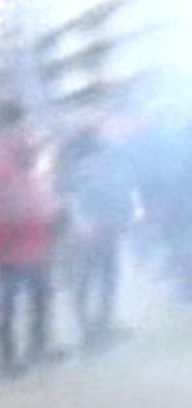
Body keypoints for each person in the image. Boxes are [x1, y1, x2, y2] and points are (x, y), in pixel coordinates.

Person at [57, 126, 136, 350]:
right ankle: (87, 330)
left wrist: (122, 217)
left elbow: (118, 186)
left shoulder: (105, 158)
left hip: (107, 225)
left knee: (108, 275)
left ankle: (103, 323)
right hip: (85, 229)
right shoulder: (70, 160)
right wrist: (78, 222)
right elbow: (66, 193)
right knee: (86, 279)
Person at [0, 103, 59, 378]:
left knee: (41, 295)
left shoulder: (25, 156)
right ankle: (8, 358)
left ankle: (39, 345)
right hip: (9, 246)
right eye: (19, 126)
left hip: (35, 239)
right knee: (7, 304)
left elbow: (38, 190)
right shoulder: (4, 162)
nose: (26, 131)